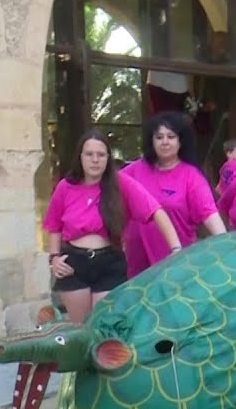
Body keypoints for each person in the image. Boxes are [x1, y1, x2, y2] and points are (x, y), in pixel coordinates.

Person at [44, 130, 183, 322]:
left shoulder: (121, 183)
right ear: (80, 157)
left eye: (101, 155)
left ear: (108, 158)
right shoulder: (65, 187)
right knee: (81, 329)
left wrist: (176, 249)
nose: (95, 160)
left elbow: (156, 211)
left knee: (101, 325)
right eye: (89, 154)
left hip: (109, 263)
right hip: (74, 264)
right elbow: (54, 225)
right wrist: (54, 258)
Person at [121, 111, 226, 277]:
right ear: (151, 141)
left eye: (171, 136)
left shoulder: (191, 176)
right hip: (136, 268)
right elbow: (106, 196)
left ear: (180, 141)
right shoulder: (134, 170)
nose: (165, 142)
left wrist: (226, 246)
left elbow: (209, 215)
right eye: (159, 137)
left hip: (177, 266)